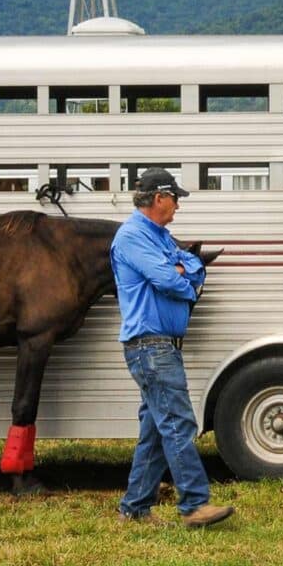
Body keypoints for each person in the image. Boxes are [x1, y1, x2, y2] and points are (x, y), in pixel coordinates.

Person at [113, 167, 234, 527]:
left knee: (155, 430)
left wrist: (183, 273)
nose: (178, 206)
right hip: (151, 347)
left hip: (160, 346)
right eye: (175, 198)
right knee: (179, 423)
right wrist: (183, 280)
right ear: (159, 198)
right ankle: (194, 505)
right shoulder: (133, 236)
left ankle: (134, 510)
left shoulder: (159, 236)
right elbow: (169, 279)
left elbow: (193, 266)